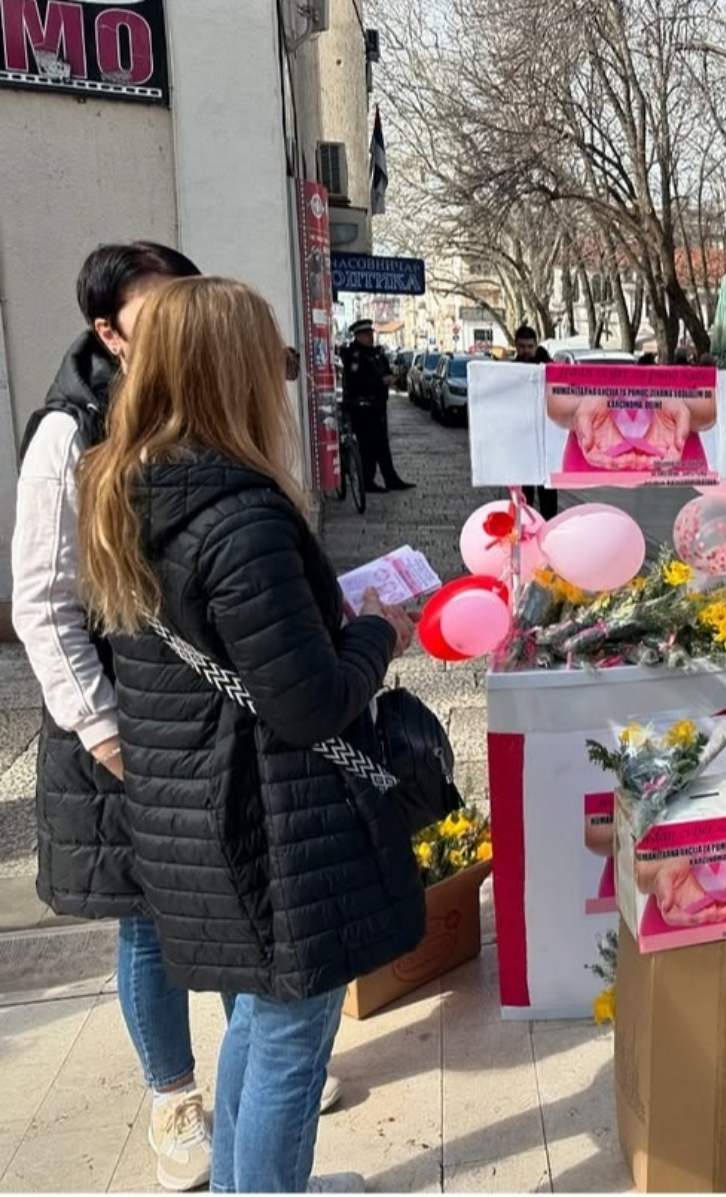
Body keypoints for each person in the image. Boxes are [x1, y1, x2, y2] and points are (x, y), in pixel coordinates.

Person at [76, 277, 426, 1194]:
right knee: (288, 1035)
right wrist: (379, 628)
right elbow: (311, 704)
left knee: (261, 1023)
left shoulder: (126, 487)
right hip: (270, 821)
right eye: (269, 360)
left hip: (193, 810)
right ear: (228, 372)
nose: (282, 380)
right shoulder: (240, 514)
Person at [12, 242, 222, 1191]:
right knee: (147, 917)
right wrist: (100, 730)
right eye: (158, 312)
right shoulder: (70, 430)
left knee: (230, 885)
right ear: (108, 331)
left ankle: (257, 1050)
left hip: (204, 704)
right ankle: (174, 1092)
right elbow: (43, 599)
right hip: (122, 720)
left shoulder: (197, 401)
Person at [338, 319, 414, 494]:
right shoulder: (354, 355)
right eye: (366, 334)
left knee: (382, 444)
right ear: (358, 336)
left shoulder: (377, 353)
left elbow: (385, 370)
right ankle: (368, 481)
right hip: (362, 407)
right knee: (367, 447)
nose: (370, 337)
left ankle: (391, 479)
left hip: (378, 405)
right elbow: (356, 383)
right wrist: (380, 381)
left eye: (371, 333)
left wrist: (391, 378)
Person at [512, 325, 558, 519]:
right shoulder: (510, 370)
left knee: (548, 490)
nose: (526, 351)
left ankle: (549, 527)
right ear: (516, 346)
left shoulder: (550, 368)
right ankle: (526, 526)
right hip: (523, 440)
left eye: (529, 346)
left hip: (546, 439)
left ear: (535, 345)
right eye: (522, 346)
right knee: (525, 492)